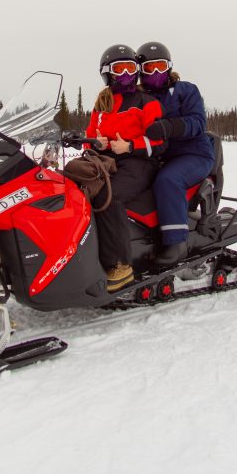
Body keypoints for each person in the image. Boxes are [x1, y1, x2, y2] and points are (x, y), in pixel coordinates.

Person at [85, 44, 167, 291]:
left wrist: (130, 146)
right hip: (106, 161)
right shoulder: (102, 106)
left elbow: (160, 141)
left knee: (107, 197)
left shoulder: (146, 102)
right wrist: (95, 143)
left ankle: (120, 264)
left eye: (130, 68)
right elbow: (90, 136)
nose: (125, 74)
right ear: (108, 73)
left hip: (139, 162)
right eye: (119, 69)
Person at [136, 41, 215, 267]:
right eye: (150, 68)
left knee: (169, 180)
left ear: (169, 66)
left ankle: (176, 243)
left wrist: (169, 127)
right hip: (158, 156)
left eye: (161, 66)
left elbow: (198, 121)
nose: (156, 72)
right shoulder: (140, 98)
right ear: (141, 71)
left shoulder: (185, 90)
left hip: (194, 154)